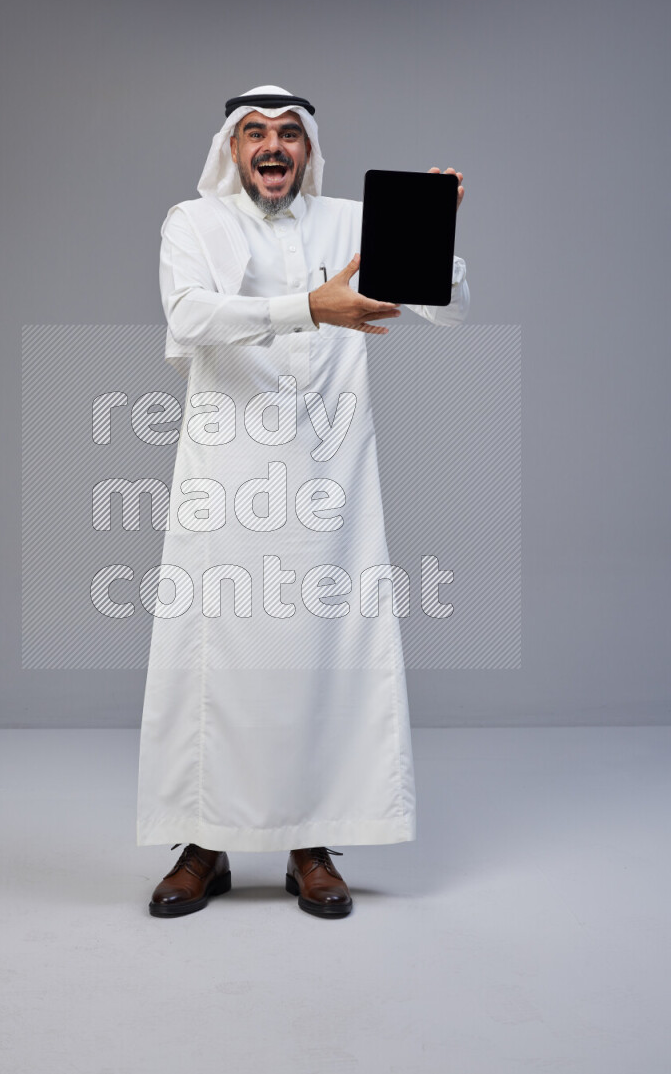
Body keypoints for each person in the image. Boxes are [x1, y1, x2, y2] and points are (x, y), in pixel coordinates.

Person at [136, 85, 469, 918]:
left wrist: (433, 235)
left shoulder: (348, 223)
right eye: (255, 133)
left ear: (310, 147)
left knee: (324, 656)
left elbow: (446, 307)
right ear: (232, 147)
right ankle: (203, 847)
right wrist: (306, 306)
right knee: (215, 662)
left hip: (330, 483)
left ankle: (310, 843)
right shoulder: (193, 223)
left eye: (289, 133)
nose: (273, 146)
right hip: (227, 481)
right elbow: (190, 313)